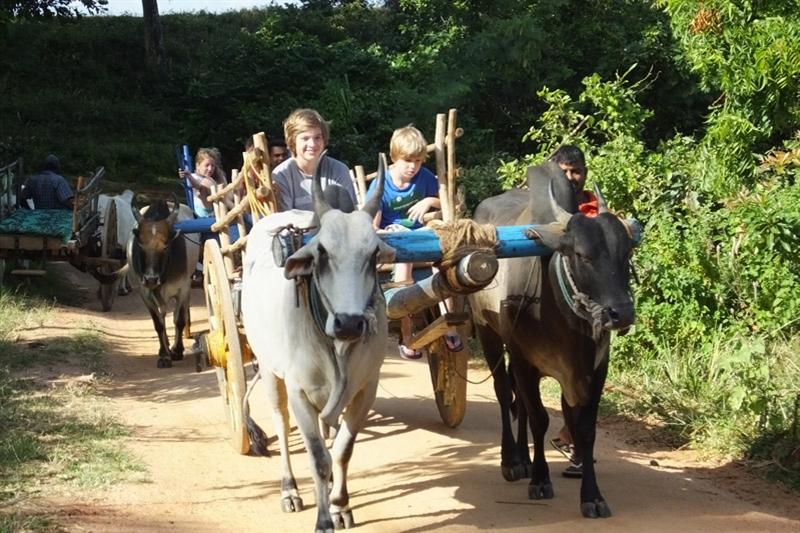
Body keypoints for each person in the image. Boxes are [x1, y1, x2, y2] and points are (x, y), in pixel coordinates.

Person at [366, 125, 462, 360]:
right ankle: (406, 334)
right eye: (408, 160)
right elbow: (372, 226)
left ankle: (450, 324)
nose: (413, 166)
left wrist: (430, 200)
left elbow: (449, 203)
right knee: (404, 263)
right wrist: (391, 230)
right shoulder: (381, 185)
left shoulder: (425, 178)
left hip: (425, 240)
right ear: (395, 158)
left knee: (444, 262)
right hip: (395, 245)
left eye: (418, 161)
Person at [548, 143, 597, 478]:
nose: (570, 178)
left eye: (575, 171)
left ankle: (577, 442)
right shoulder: (540, 205)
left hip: (588, 307)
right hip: (544, 307)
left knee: (586, 376)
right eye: (563, 172)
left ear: (585, 174)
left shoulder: (592, 207)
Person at [272, 109, 356, 211]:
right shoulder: (281, 175)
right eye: (305, 138)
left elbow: (347, 214)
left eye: (317, 137)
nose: (312, 144)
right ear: (293, 141)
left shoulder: (339, 170)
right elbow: (285, 220)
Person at [178, 147, 228, 218]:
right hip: (203, 213)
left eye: (212, 166)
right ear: (198, 166)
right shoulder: (194, 177)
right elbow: (197, 185)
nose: (210, 169)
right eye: (207, 165)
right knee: (206, 182)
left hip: (216, 210)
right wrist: (188, 175)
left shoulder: (215, 178)